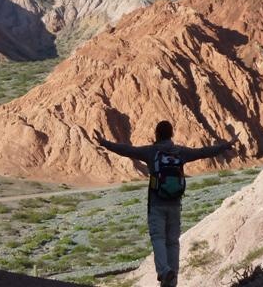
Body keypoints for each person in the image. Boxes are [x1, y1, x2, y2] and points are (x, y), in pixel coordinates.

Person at [93, 121, 238, 287]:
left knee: (158, 238)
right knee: (173, 242)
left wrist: (104, 143)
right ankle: (172, 280)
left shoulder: (151, 152)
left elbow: (127, 150)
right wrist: (226, 145)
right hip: (175, 204)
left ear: (156, 134)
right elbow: (203, 152)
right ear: (171, 134)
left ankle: (163, 271)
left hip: (156, 203)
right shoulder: (180, 152)